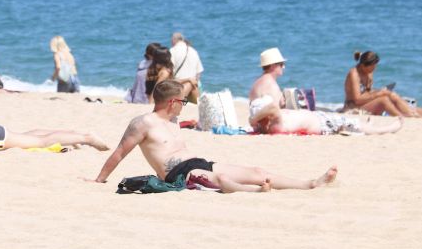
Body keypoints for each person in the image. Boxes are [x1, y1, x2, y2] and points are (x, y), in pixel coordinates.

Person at [85, 80, 338, 193]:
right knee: (223, 179)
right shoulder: (142, 123)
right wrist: (99, 180)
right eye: (183, 101)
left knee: (256, 170)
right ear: (172, 101)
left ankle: (309, 183)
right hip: (179, 175)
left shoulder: (173, 121)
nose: (184, 104)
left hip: (198, 163)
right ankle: (254, 192)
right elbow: (119, 152)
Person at [342, 51, 422, 117]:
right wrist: (378, 94)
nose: (373, 69)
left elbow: (367, 91)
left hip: (366, 103)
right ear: (362, 66)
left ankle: (412, 112)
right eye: (372, 67)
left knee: (391, 94)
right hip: (354, 107)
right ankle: (404, 117)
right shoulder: (354, 74)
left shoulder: (368, 72)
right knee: (384, 100)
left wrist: (379, 92)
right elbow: (357, 100)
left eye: (375, 66)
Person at [249, 103, 403, 135]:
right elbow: (273, 108)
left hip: (320, 118)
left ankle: (367, 124)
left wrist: (255, 120)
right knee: (351, 124)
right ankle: (389, 128)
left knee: (352, 123)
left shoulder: (270, 124)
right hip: (324, 124)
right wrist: (253, 119)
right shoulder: (275, 125)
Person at [248, 47, 287, 122]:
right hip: (268, 126)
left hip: (258, 124)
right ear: (272, 66)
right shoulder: (270, 83)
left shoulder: (257, 81)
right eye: (281, 64)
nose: (284, 67)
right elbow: (277, 110)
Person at [169, 32, 204, 101]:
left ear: (173, 40)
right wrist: (194, 81)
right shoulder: (193, 51)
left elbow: (170, 70)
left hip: (180, 87)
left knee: (181, 102)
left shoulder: (172, 51)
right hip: (195, 87)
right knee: (196, 105)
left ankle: (181, 102)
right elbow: (199, 72)